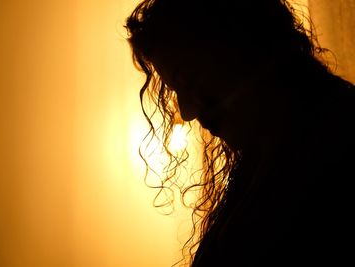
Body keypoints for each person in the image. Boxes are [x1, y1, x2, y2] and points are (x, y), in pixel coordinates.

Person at [125, 0, 355, 266]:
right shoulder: (266, 159)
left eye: (188, 81)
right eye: (177, 91)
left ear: (241, 49)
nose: (187, 112)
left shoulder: (340, 138)